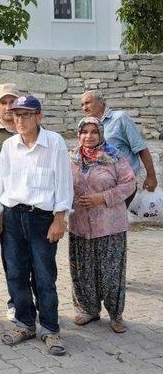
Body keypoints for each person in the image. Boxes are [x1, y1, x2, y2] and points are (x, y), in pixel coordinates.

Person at [0, 95, 73, 356]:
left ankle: (50, 328)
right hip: (12, 218)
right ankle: (24, 323)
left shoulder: (54, 143)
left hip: (42, 219)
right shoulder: (10, 146)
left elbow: (64, 184)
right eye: (16, 115)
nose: (20, 120)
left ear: (39, 117)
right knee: (16, 274)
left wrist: (60, 218)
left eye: (26, 115)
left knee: (45, 276)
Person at [69, 117, 135, 333]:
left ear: (101, 134)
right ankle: (88, 309)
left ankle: (116, 315)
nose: (89, 136)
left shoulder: (114, 157)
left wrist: (102, 198)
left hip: (109, 226)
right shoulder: (71, 157)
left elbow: (129, 184)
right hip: (80, 225)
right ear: (78, 134)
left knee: (111, 272)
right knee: (83, 270)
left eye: (93, 132)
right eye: (84, 132)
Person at [0, 82, 37, 323]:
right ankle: (17, 303)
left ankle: (39, 303)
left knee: (38, 260)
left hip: (35, 209)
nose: (7, 106)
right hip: (6, 208)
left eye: (12, 101)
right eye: (3, 102)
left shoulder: (34, 130)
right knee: (13, 261)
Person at [81, 90, 158, 204]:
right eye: (82, 105)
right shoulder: (87, 125)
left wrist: (151, 176)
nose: (84, 108)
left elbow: (140, 147)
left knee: (114, 219)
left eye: (87, 103)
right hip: (99, 186)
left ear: (101, 102)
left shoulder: (119, 118)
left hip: (123, 184)